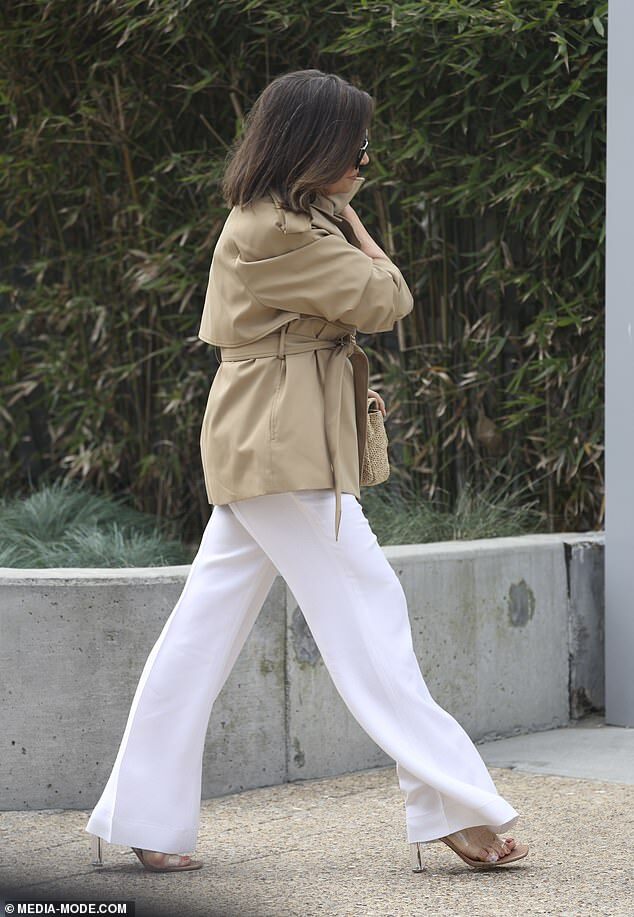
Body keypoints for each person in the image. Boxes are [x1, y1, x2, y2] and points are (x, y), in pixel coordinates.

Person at [85, 69, 529, 874]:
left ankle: (142, 813)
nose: (365, 160)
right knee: (370, 617)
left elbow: (363, 301)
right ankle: (454, 806)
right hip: (281, 447)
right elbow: (387, 297)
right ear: (309, 145)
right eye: (353, 147)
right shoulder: (275, 229)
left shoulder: (294, 215)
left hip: (272, 439)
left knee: (202, 632)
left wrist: (342, 204)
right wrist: (356, 218)